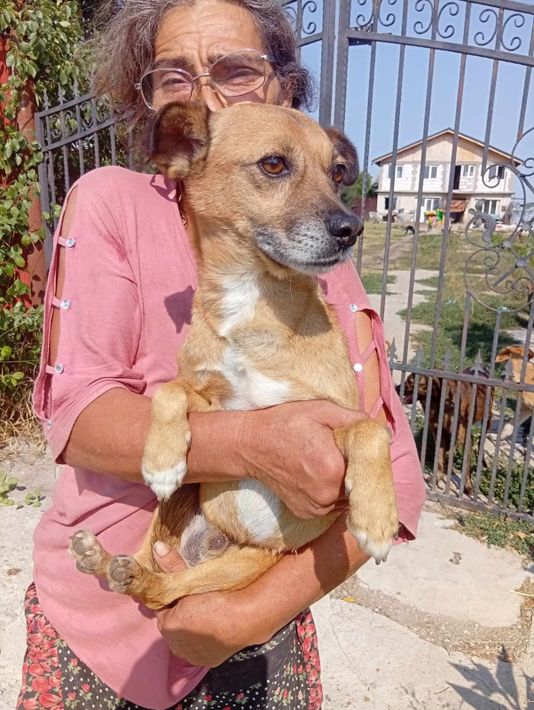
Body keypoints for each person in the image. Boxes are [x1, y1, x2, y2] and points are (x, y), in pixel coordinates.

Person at [19, 1, 426, 708]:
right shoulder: (111, 203)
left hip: (259, 624)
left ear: (282, 89)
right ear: (153, 107)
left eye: (236, 71)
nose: (205, 96)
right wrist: (255, 445)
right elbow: (76, 418)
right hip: (100, 628)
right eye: (174, 75)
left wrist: (250, 612)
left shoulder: (318, 263)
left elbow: (395, 475)